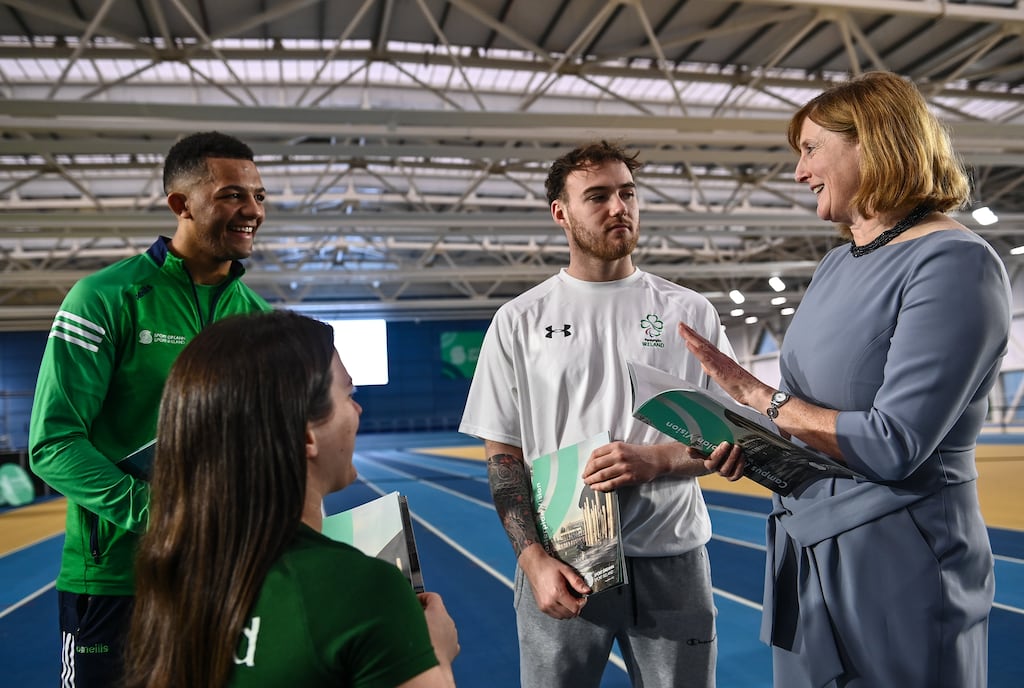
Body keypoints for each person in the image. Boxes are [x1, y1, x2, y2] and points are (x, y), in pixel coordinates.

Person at [677, 71, 1010, 688]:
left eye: (809, 149)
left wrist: (761, 397)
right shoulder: (836, 263)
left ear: (874, 141)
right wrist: (735, 440)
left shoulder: (954, 262)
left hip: (899, 556)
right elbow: (807, 417)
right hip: (806, 546)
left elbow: (894, 442)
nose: (799, 172)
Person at [459, 140, 729, 688]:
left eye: (627, 193)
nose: (618, 208)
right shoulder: (519, 321)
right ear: (561, 212)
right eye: (598, 196)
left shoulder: (688, 312)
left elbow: (725, 440)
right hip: (564, 561)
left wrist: (656, 459)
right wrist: (532, 559)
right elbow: (503, 454)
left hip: (670, 557)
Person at [28, 131, 273, 687]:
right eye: (233, 195)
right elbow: (53, 444)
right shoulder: (104, 298)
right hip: (117, 580)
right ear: (181, 205)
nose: (252, 211)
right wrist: (161, 514)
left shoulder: (258, 320)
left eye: (259, 196)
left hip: (221, 579)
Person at [122, 310, 459, 687]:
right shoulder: (363, 587)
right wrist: (438, 655)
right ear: (306, 437)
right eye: (349, 393)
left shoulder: (171, 578)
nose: (358, 409)